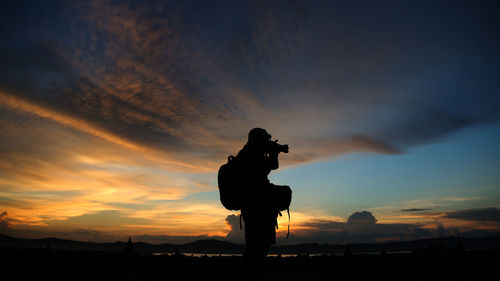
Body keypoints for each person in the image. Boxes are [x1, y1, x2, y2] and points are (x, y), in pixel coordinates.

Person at [236, 128, 289, 279]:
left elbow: (268, 167)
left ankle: (247, 274)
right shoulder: (251, 154)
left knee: (253, 245)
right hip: (259, 207)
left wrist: (274, 150)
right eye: (265, 140)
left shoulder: (247, 152)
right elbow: (271, 166)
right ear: (259, 140)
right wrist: (275, 152)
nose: (267, 142)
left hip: (251, 207)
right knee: (260, 246)